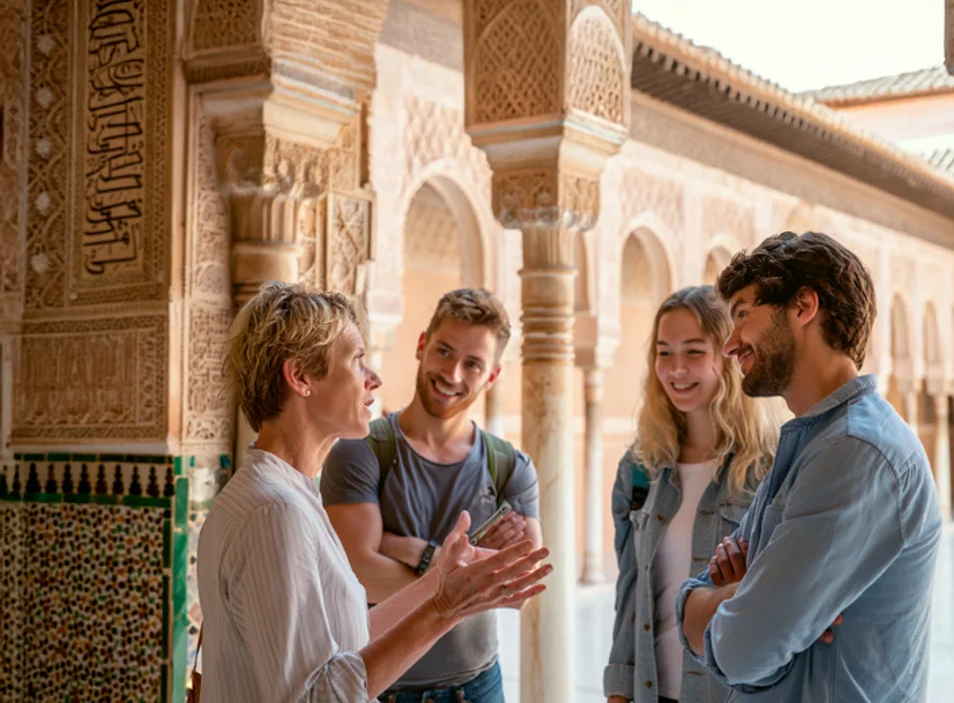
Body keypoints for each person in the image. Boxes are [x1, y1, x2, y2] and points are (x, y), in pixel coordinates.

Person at [196, 282, 552, 703]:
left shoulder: (287, 494)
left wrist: (439, 582)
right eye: (357, 361)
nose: (375, 379)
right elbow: (317, 697)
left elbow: (347, 646)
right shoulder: (276, 512)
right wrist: (444, 610)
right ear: (301, 377)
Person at [676, 232, 942, 702]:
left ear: (803, 306)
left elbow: (742, 654)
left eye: (742, 315)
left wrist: (723, 605)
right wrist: (734, 599)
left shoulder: (855, 452)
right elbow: (733, 622)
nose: (731, 344)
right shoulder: (813, 444)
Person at [320, 288, 540, 703]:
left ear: (491, 376)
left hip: (477, 688)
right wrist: (462, 570)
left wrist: (412, 550)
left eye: (473, 364)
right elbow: (356, 574)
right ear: (422, 346)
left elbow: (520, 591)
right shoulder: (361, 451)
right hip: (380, 686)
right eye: (444, 351)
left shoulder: (510, 466)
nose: (453, 374)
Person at [605, 286, 781, 703]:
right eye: (664, 353)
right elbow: (631, 589)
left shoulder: (770, 466)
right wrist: (618, 691)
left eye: (694, 351)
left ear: (727, 356)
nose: (676, 369)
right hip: (653, 692)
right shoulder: (640, 466)